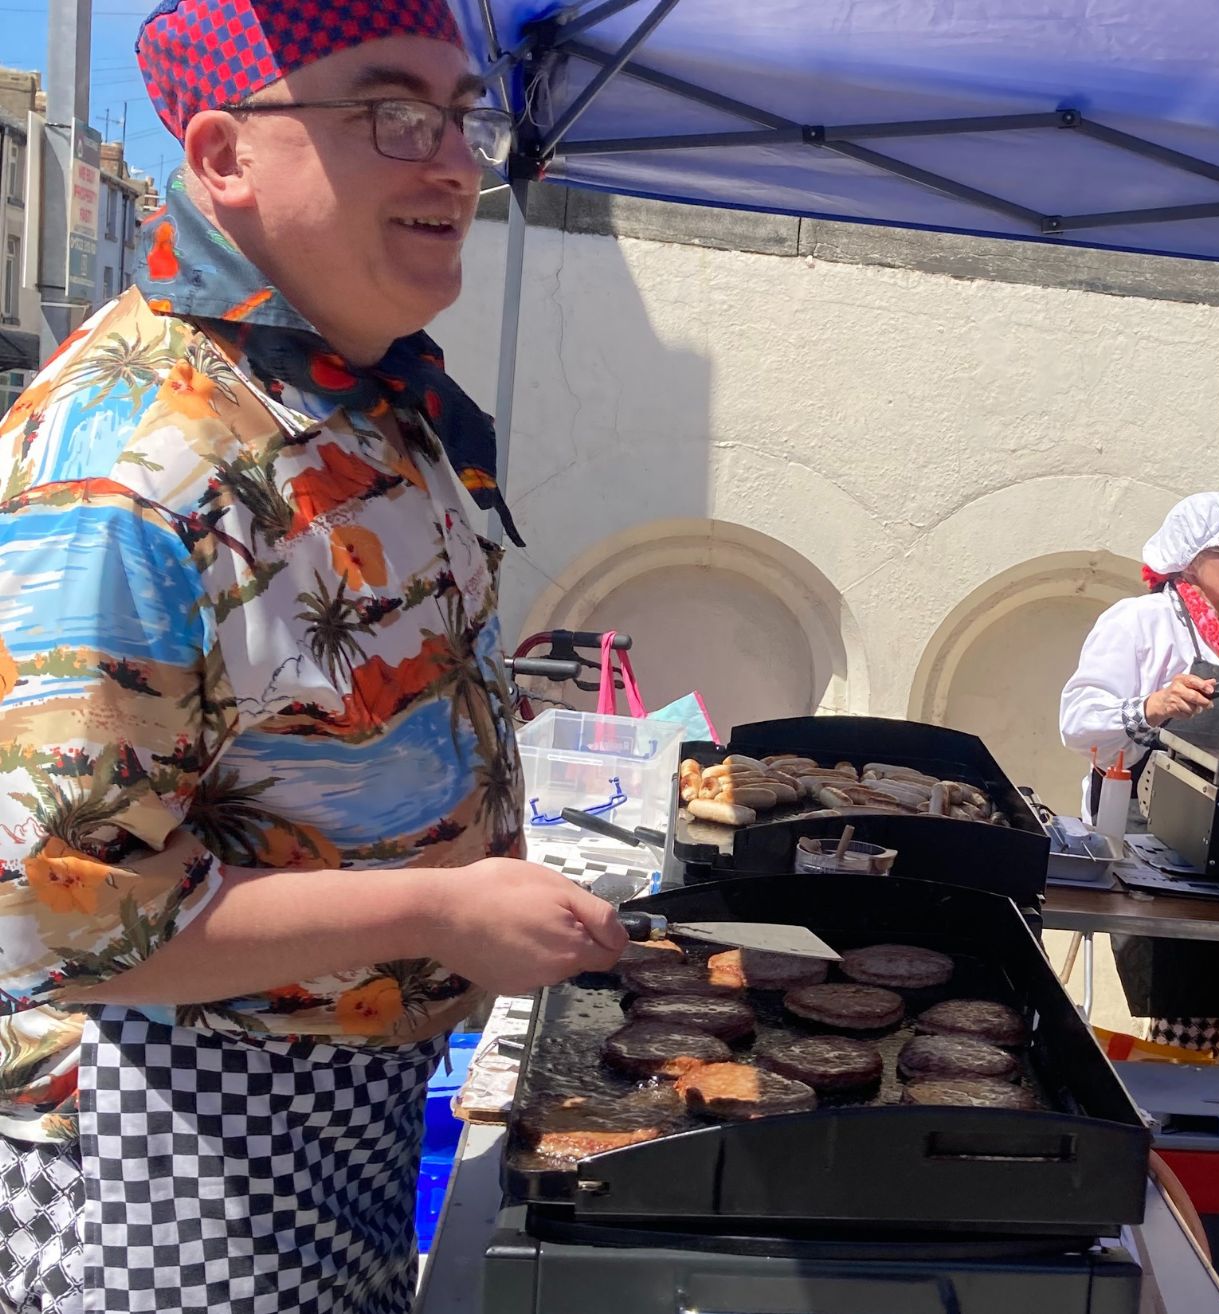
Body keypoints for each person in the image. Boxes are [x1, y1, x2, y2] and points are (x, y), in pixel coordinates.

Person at [0, 4, 629, 1310]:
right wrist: (444, 910)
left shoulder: (353, 392)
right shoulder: (136, 458)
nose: (452, 161)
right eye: (395, 114)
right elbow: (55, 910)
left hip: (341, 1103)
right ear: (226, 157)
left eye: (463, 118)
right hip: (165, 1139)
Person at [1061, 492, 1219, 1063]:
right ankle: (1183, 1122)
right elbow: (1077, 721)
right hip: (1159, 852)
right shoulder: (1139, 622)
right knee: (1190, 1009)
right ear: (1192, 558)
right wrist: (1153, 705)